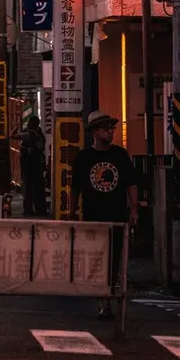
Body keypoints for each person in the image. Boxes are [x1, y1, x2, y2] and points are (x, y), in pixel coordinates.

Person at [71, 109, 139, 319]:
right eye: (105, 128)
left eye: (111, 128)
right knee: (96, 258)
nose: (110, 132)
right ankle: (102, 298)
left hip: (116, 215)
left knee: (114, 258)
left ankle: (107, 297)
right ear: (94, 132)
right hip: (93, 215)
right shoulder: (84, 157)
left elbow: (131, 183)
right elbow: (76, 188)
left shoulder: (119, 154)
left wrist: (134, 208)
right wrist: (72, 211)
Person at [19, 115, 47, 216]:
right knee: (39, 188)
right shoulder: (39, 133)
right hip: (38, 165)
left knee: (28, 189)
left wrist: (16, 126)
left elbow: (12, 135)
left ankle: (28, 209)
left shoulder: (28, 134)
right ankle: (40, 209)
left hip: (28, 165)